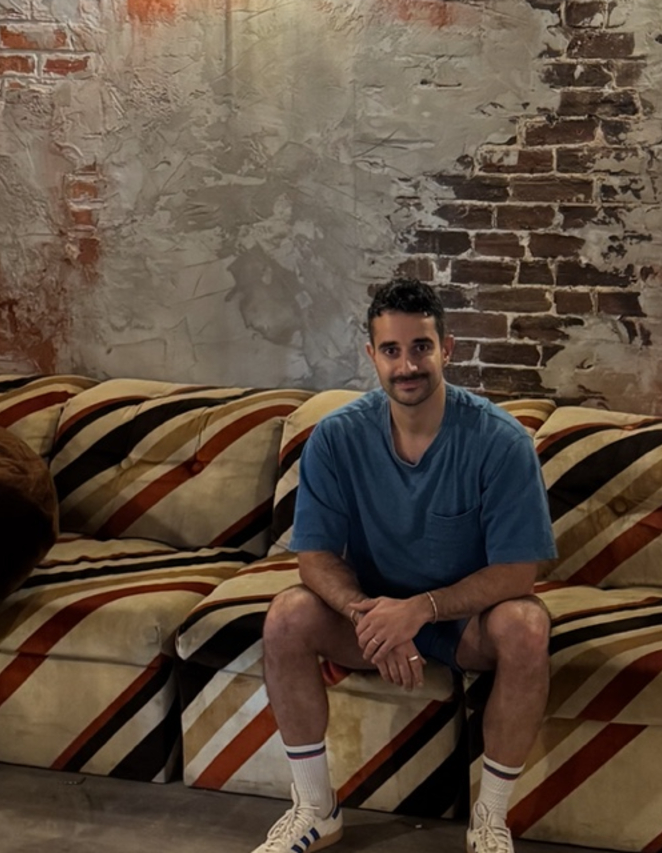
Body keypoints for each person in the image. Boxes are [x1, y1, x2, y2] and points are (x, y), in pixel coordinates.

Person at [251, 278, 556, 853]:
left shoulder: (501, 440)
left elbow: (519, 574)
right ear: (372, 355)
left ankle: (490, 819)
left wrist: (419, 611)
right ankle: (314, 808)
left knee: (526, 624)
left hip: (466, 624)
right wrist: (370, 617)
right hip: (374, 616)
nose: (407, 365)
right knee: (287, 615)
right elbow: (314, 558)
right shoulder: (336, 437)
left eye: (421, 347)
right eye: (391, 350)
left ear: (448, 349)